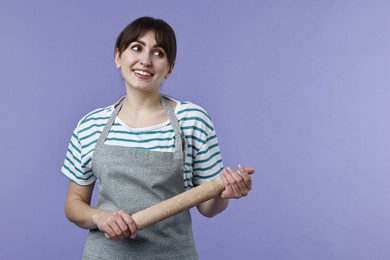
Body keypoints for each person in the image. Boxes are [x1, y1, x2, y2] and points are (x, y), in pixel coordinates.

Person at [62, 16, 254, 260]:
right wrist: (99, 217)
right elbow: (74, 203)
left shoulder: (192, 120)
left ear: (170, 67)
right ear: (118, 57)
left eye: (158, 53)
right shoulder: (91, 124)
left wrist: (225, 193)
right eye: (136, 48)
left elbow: (208, 208)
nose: (145, 60)